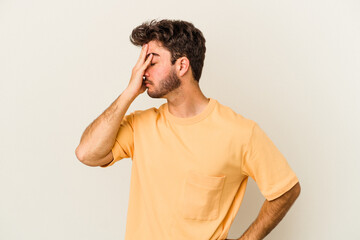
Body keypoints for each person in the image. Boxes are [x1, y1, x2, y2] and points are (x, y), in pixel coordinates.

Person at [75, 19, 301, 240]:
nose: (141, 71)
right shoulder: (140, 126)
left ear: (182, 65)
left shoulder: (240, 133)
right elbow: (86, 153)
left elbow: (286, 190)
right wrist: (128, 92)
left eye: (151, 62)